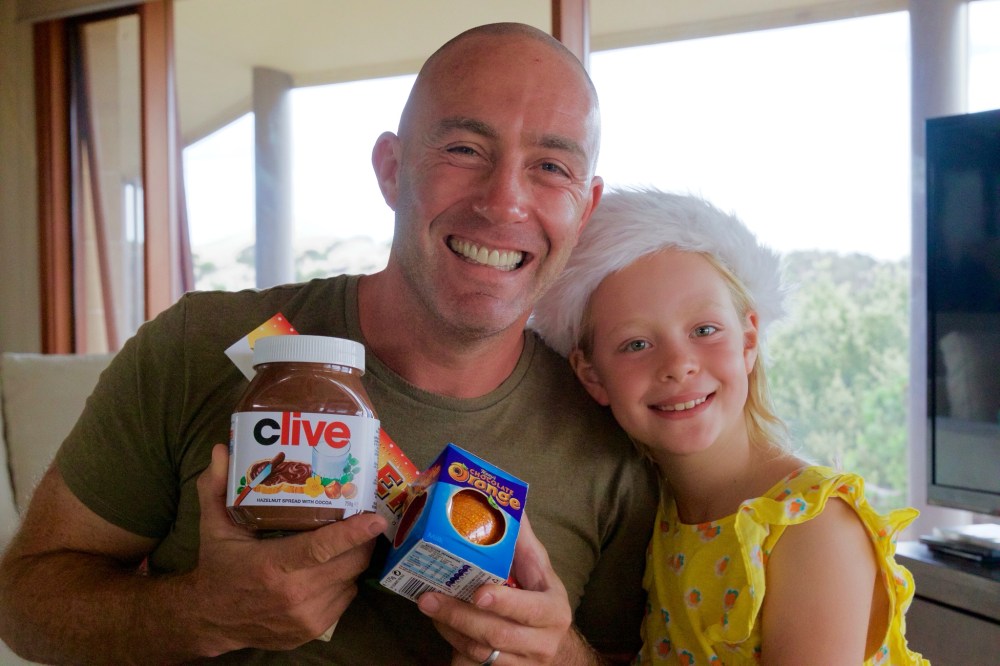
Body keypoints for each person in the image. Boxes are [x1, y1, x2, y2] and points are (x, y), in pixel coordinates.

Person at [0, 23, 658, 664]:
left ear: (585, 208)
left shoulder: (616, 435)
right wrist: (198, 612)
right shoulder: (198, 344)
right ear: (392, 169)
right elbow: (23, 604)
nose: (505, 201)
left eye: (551, 167)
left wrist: (560, 657)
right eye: (464, 149)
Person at [529, 188, 929, 664]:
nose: (678, 365)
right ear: (592, 375)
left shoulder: (811, 525)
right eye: (636, 344)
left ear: (748, 340)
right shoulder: (653, 511)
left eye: (704, 330)